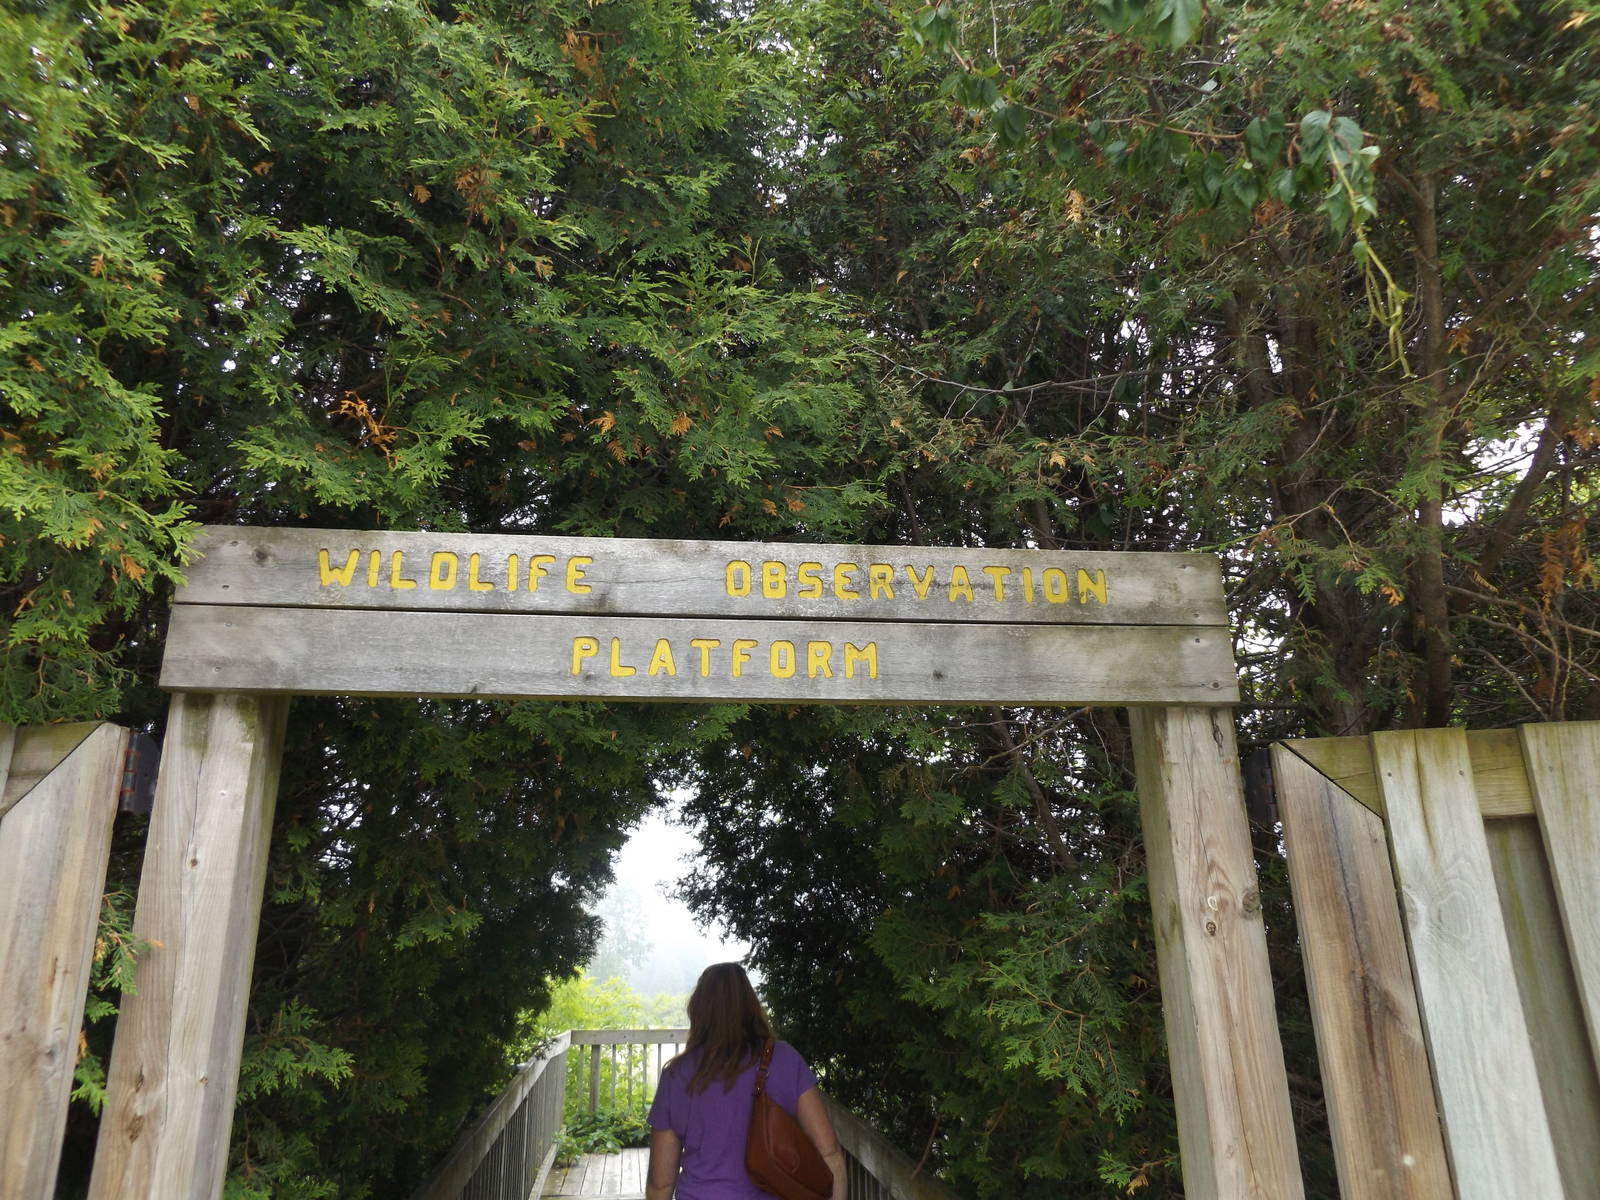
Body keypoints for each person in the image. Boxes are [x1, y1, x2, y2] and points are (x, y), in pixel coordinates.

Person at [646, 963, 846, 1200]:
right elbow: (829, 1152)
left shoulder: (677, 1074)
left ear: (698, 1009)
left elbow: (661, 1184)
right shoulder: (785, 1060)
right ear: (751, 1006)